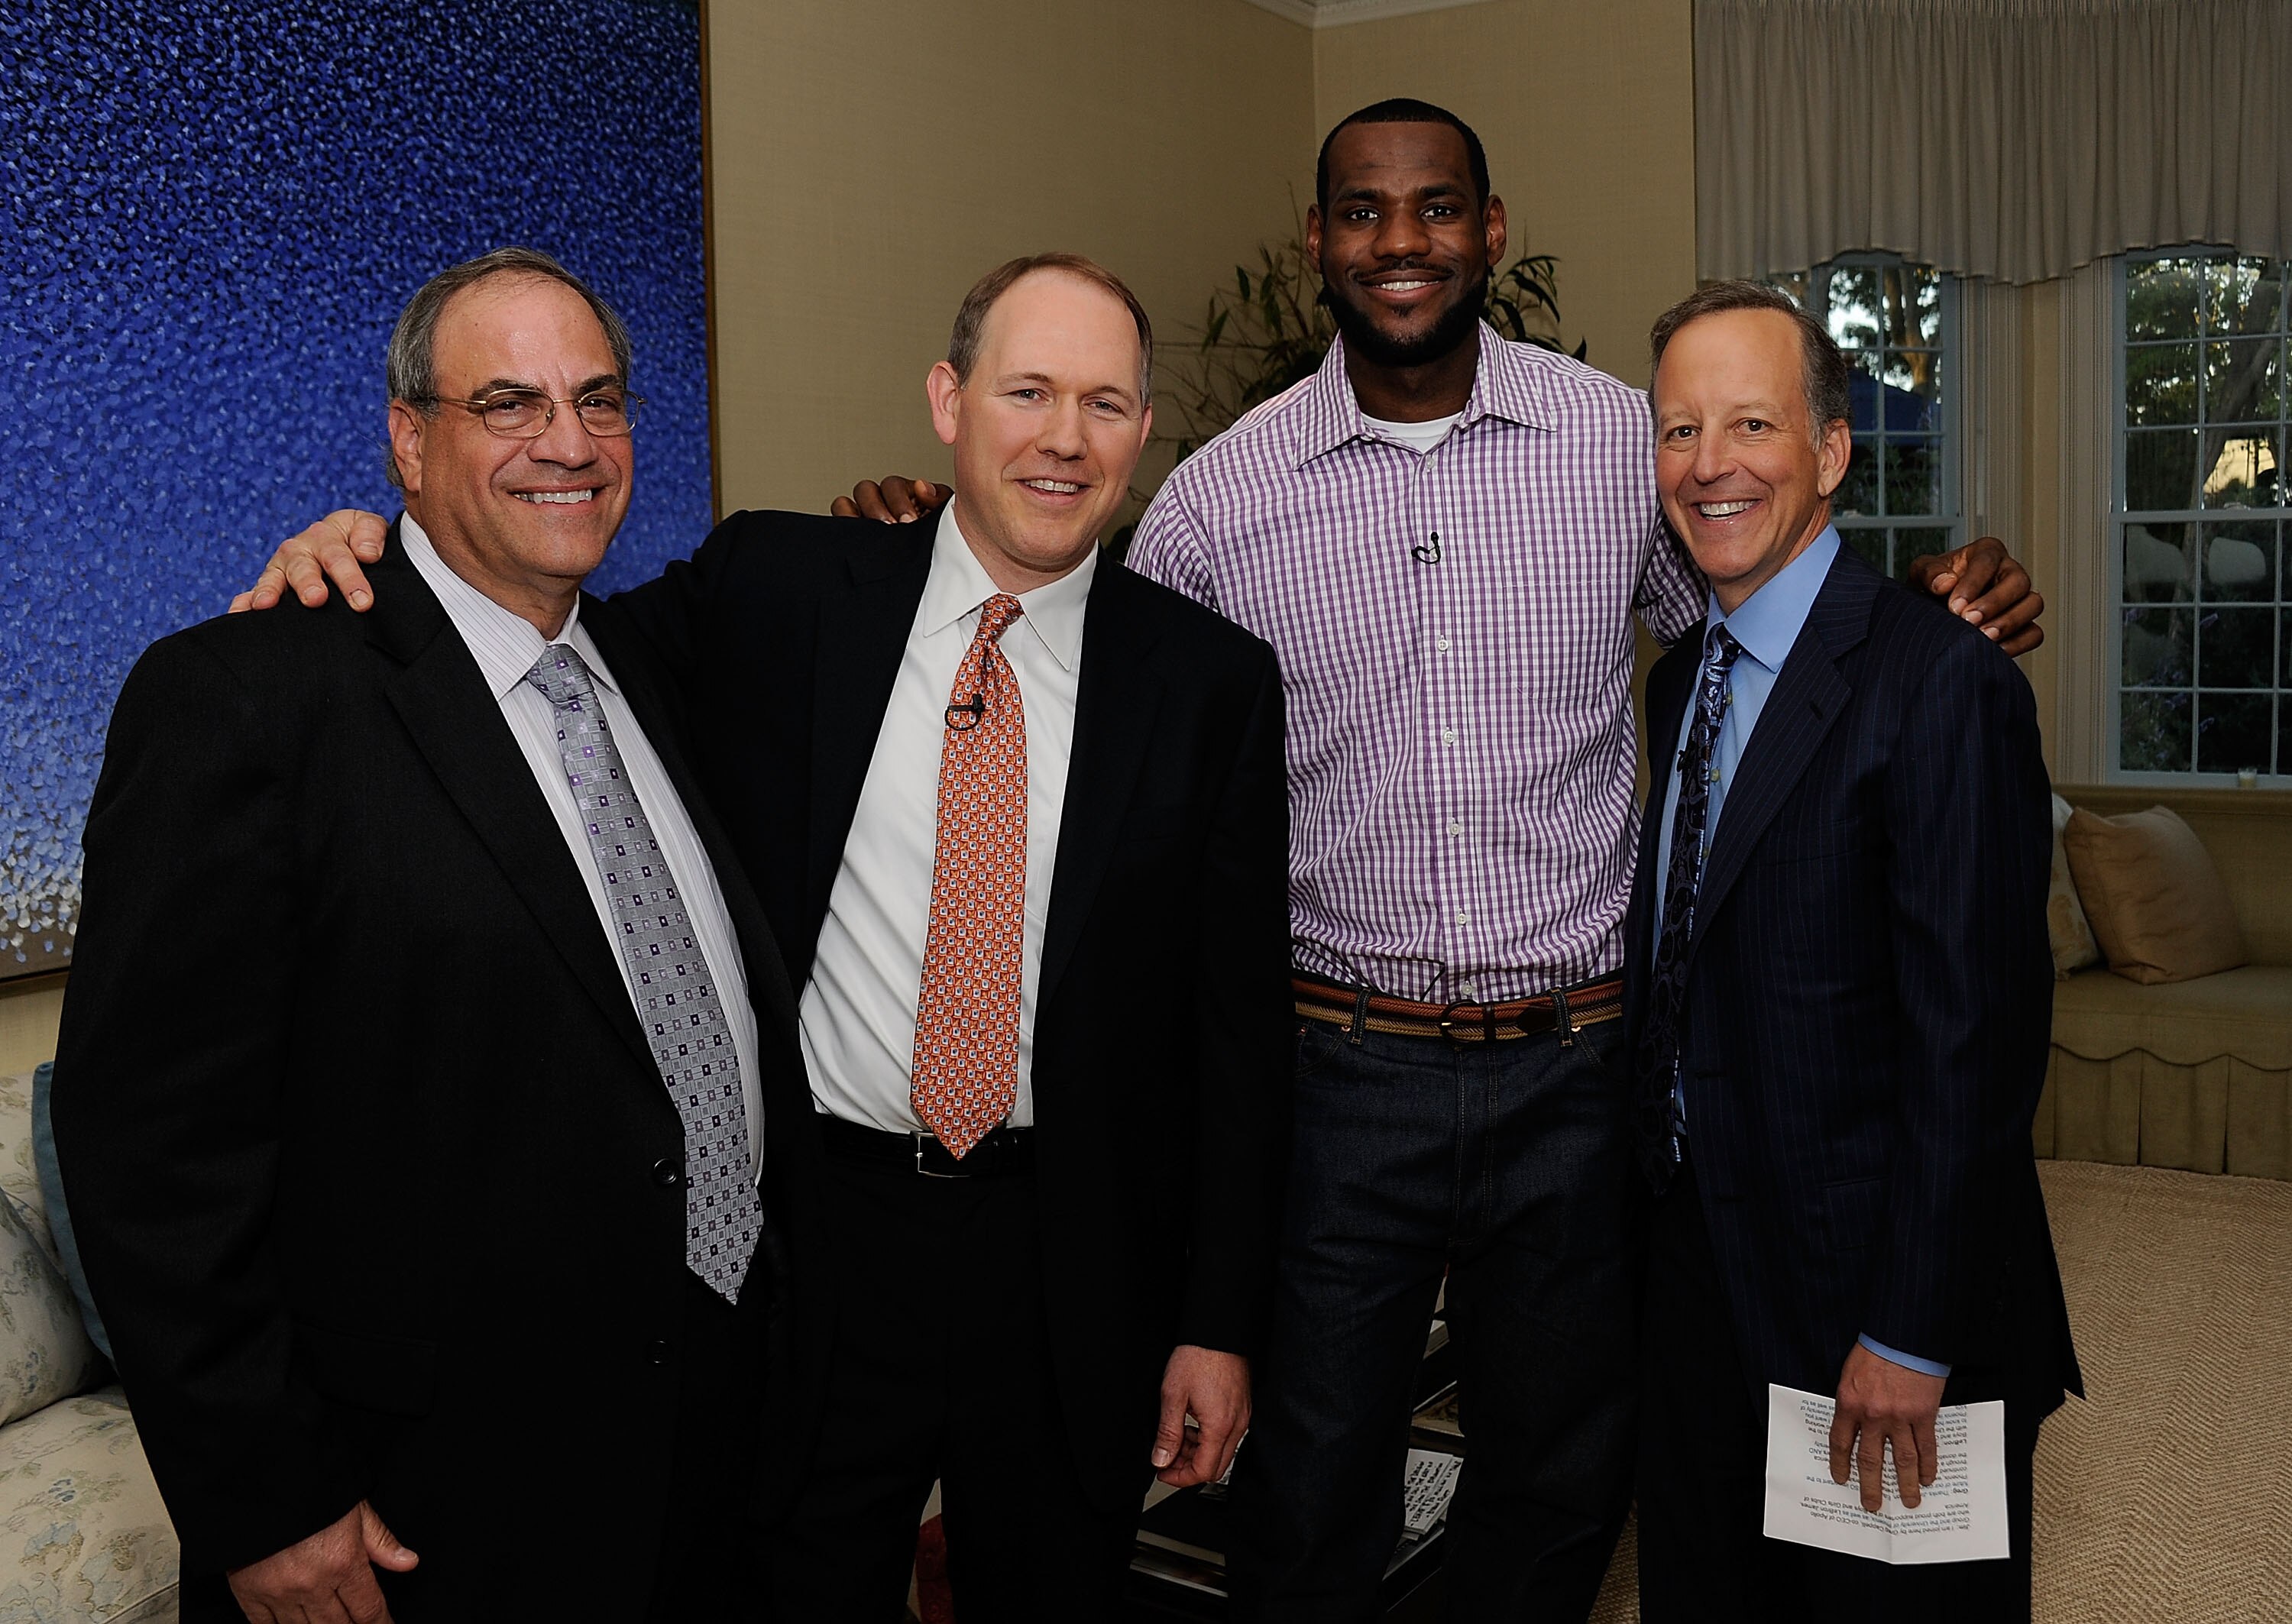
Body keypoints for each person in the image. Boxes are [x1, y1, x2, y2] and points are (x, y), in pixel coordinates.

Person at [828, 99, 2048, 1621]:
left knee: (1563, 1469)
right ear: (1318, 242)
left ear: (1492, 228)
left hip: (1584, 1074)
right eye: (1362, 211)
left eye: (1435, 209)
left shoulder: (1621, 440)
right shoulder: (1220, 496)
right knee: (1311, 1475)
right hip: (1343, 1074)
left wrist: (1935, 603)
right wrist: (904, 547)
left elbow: (1765, 621)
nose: (1400, 241)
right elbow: (1088, 673)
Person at [237, 252, 1294, 1620]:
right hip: (824, 1254)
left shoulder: (1211, 682)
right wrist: (377, 543)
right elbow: (527, 632)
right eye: (1027, 389)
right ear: (948, 400)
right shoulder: (778, 589)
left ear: (1143, 433)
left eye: (1105, 402)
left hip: (1075, 1261)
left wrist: (1218, 1320)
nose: (1063, 436)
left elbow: (1240, 1031)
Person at [53, 247, 797, 1623]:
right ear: (409, 438)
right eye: (507, 404)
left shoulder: (646, 664)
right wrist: (263, 1494)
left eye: (599, 399)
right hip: (428, 1506)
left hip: (705, 1438)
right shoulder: (249, 699)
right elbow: (151, 1150)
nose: (567, 444)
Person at [1626, 280, 2079, 1621]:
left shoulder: (1942, 679)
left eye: (1751, 422)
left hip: (1869, 1298)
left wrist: (1911, 1326)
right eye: (1679, 429)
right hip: (1702, 1274)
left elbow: (1977, 1040)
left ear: (1830, 452)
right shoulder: (1677, 680)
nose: (1710, 463)